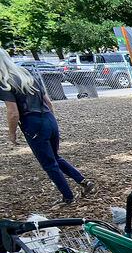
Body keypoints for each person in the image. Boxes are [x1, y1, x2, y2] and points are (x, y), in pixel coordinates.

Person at [1, 49, 96, 206]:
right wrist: (50, 121)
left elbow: (13, 113)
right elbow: (48, 102)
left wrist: (12, 134)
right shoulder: (25, 74)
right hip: (48, 118)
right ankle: (84, 182)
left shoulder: (5, 82)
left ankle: (68, 197)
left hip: (33, 122)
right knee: (55, 157)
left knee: (49, 163)